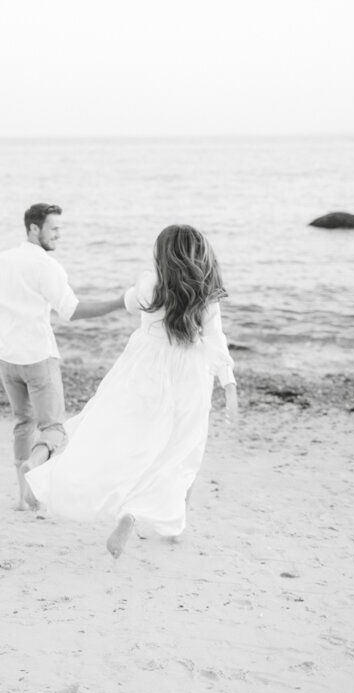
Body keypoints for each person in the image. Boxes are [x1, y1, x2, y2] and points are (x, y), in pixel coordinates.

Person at [24, 224, 238, 557]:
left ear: (162, 255)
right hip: (189, 377)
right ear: (201, 255)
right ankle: (146, 518)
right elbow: (216, 341)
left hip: (142, 371)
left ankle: (51, 474)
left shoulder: (149, 284)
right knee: (182, 450)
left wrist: (80, 308)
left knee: (125, 440)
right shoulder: (207, 295)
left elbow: (125, 302)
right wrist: (229, 384)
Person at [0, 202, 127, 510]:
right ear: (34, 229)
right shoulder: (46, 266)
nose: (58, 235)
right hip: (37, 357)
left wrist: (0, 327)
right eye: (53, 229)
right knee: (54, 429)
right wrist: (119, 302)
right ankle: (33, 470)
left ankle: (21, 499)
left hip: (5, 355)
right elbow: (71, 310)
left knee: (22, 422)